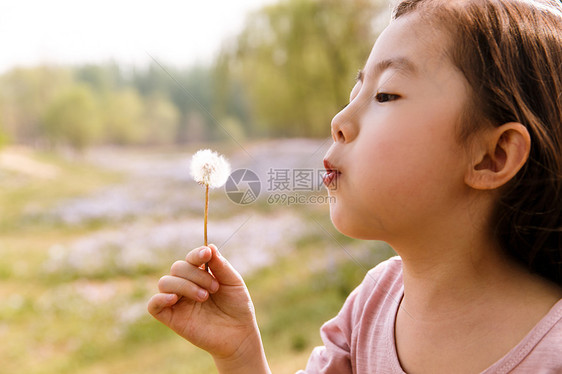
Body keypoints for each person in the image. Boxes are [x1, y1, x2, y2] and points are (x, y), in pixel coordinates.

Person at [147, 0, 562, 372]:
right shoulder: (369, 308)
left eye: (384, 95)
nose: (339, 122)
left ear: (494, 157)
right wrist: (239, 354)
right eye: (354, 92)